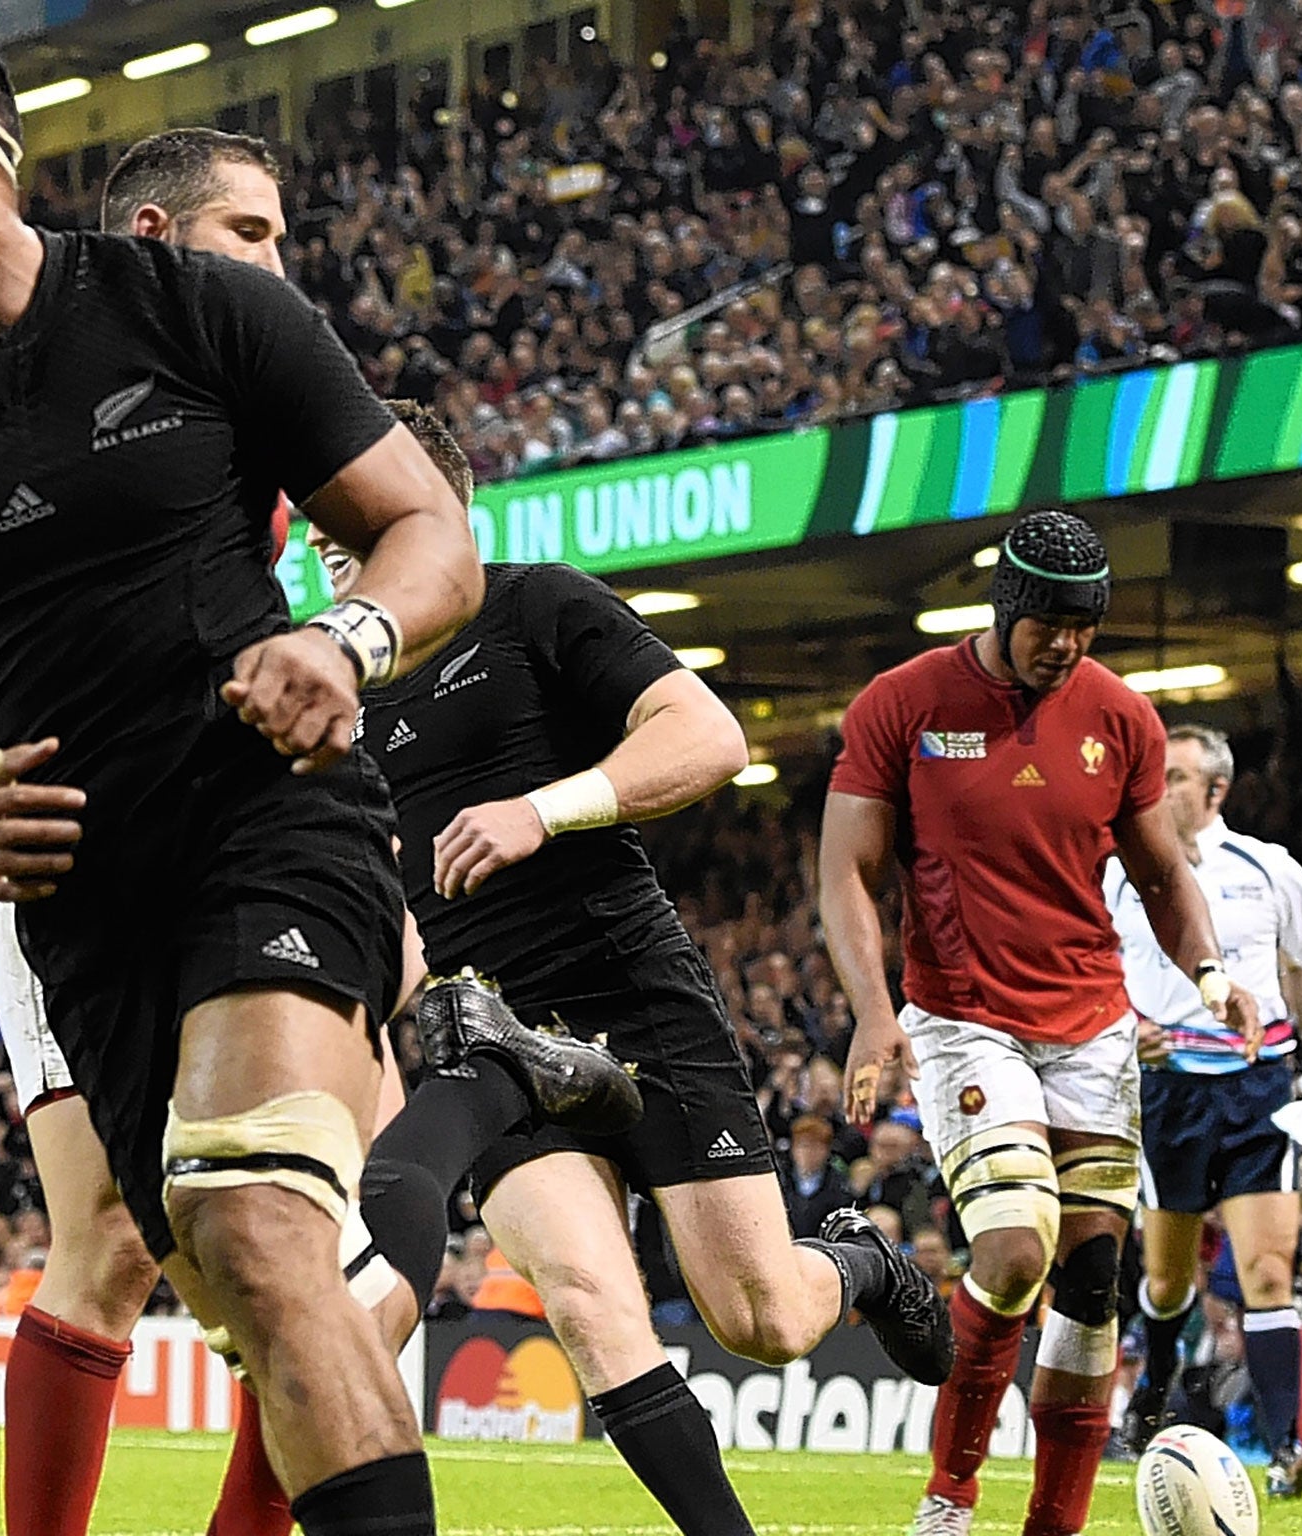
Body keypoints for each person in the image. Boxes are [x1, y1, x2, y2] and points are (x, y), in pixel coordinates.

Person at [0, 17, 487, 1532]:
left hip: (267, 813)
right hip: (78, 913)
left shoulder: (193, 308)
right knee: (234, 1271)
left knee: (257, 1218)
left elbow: (431, 536)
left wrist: (346, 641)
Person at [316, 400, 950, 1536]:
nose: (321, 530)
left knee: (760, 1317)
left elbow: (708, 737)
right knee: (588, 1303)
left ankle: (857, 1264)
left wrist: (542, 811)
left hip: (628, 997)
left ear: (431, 508)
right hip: (492, 1036)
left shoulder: (535, 604)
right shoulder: (339, 693)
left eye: (345, 507)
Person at [819, 509, 1259, 1536]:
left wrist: (1205, 971)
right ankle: (948, 1500)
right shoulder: (904, 703)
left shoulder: (1121, 718)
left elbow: (1159, 871)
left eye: (1083, 626)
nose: (1064, 643)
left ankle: (1050, 1527)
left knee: (1093, 1281)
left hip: (1090, 1026)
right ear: (1003, 606)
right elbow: (845, 870)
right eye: (1047, 623)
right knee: (1015, 1254)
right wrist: (871, 1015)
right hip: (962, 1019)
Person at [1108, 724, 1302, 1495]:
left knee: (1269, 1272)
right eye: (1158, 776)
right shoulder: (1116, 871)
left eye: (1177, 777)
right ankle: (1150, 1399)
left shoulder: (1269, 868)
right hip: (1167, 1086)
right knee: (1170, 1280)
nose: (1162, 788)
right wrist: (1121, 1027)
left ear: (1216, 791)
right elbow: (1087, 969)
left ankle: (1286, 1451)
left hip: (1258, 1084)